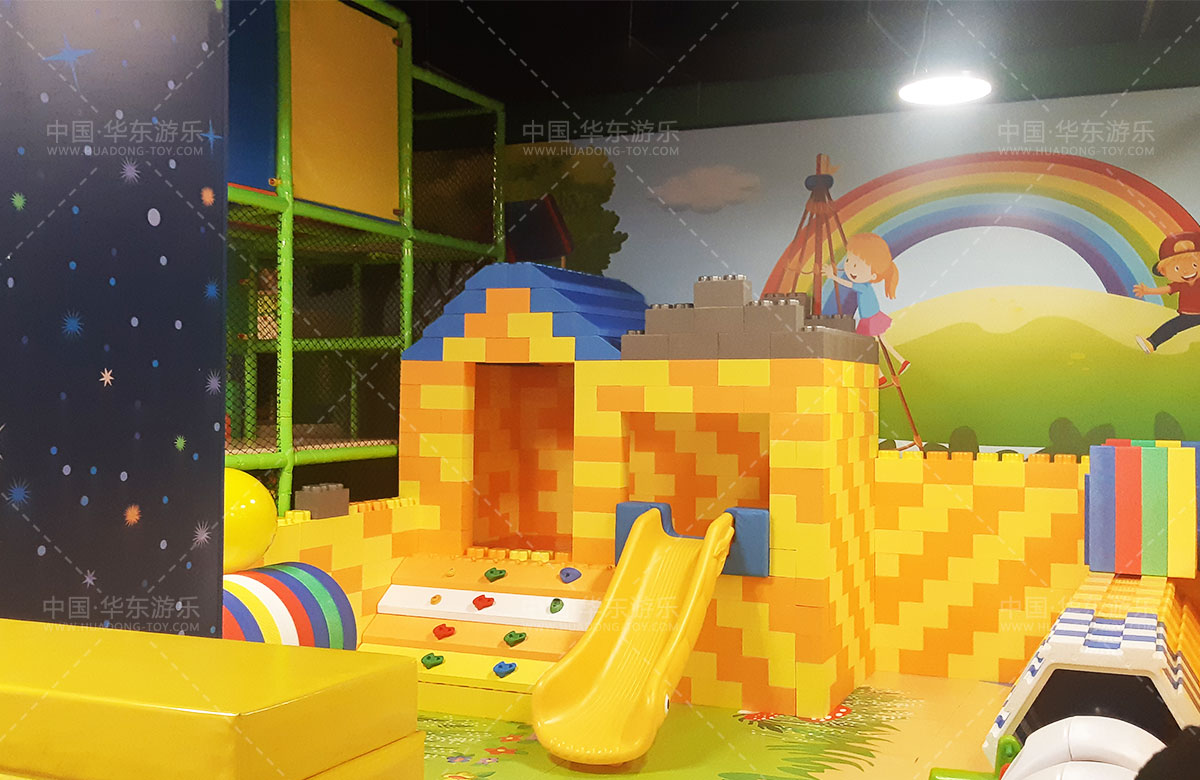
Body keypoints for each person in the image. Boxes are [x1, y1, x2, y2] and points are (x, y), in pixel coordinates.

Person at [823, 232, 908, 387]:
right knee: (880, 342)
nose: (849, 267)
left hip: (870, 320)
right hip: (871, 318)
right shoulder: (865, 285)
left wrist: (833, 277)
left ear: (873, 275)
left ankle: (882, 374)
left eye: (856, 265)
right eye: (848, 261)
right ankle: (898, 363)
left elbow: (849, 284)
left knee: (869, 346)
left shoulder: (863, 286)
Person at [1133, 232, 1200, 353]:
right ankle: (1152, 343)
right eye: (1177, 268)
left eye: (1195, 265)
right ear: (1163, 271)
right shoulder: (1181, 284)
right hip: (1190, 314)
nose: (1187, 271)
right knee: (1173, 326)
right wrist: (1148, 291)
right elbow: (1167, 289)